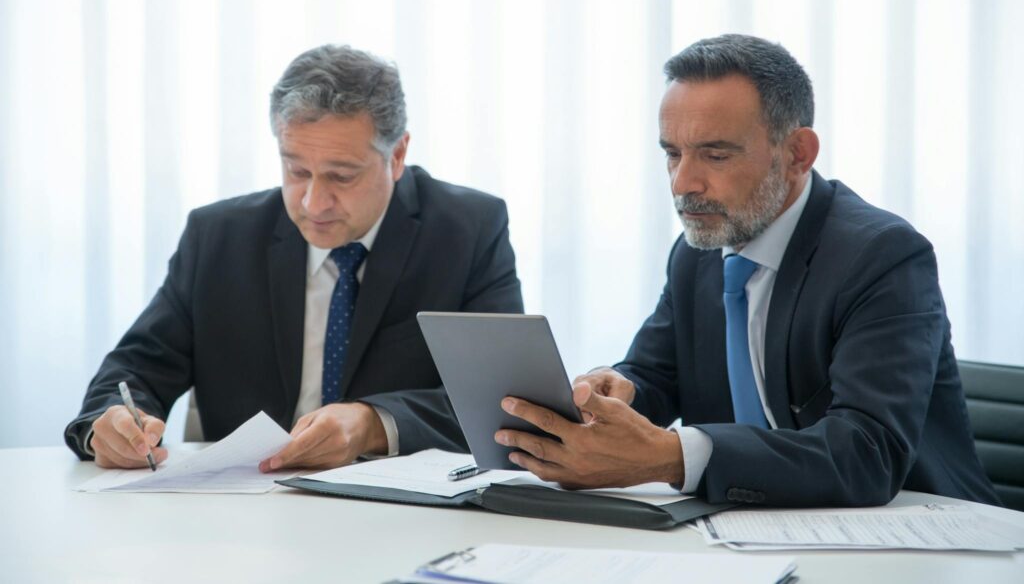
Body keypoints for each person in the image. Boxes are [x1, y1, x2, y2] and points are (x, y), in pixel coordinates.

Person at [496, 34, 1000, 507]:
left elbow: (867, 452)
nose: (682, 183)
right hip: (748, 530)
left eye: (715, 154)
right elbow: (655, 373)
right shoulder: (697, 250)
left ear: (797, 153)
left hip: (915, 532)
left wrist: (671, 457)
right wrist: (618, 390)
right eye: (672, 154)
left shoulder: (883, 256)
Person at [66, 44, 523, 471]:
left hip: (402, 514)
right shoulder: (220, 237)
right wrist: (111, 424)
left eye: (341, 177)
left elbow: (500, 400)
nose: (312, 202)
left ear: (397, 155)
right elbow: (138, 366)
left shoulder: (468, 230)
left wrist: (373, 423)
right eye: (296, 170)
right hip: (244, 516)